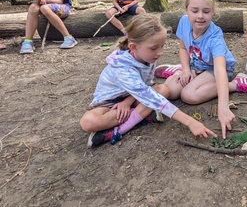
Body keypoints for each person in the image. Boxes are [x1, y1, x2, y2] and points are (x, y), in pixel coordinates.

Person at [79, 14, 216, 147]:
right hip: (109, 103)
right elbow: (151, 97)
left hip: (133, 97)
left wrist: (128, 101)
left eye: (162, 46)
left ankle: (121, 128)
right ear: (133, 47)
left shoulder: (148, 57)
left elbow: (146, 85)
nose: (160, 52)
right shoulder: (122, 69)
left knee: (163, 90)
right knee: (88, 122)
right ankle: (135, 120)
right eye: (154, 48)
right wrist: (190, 122)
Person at [154, 0, 247, 139]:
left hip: (217, 69)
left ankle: (235, 84)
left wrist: (223, 107)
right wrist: (186, 70)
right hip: (195, 64)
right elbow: (183, 48)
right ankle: (181, 69)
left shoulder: (215, 37)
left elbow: (220, 70)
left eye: (206, 11)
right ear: (186, 9)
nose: (200, 16)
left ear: (213, 12)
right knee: (171, 92)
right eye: (194, 11)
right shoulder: (184, 22)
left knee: (188, 95)